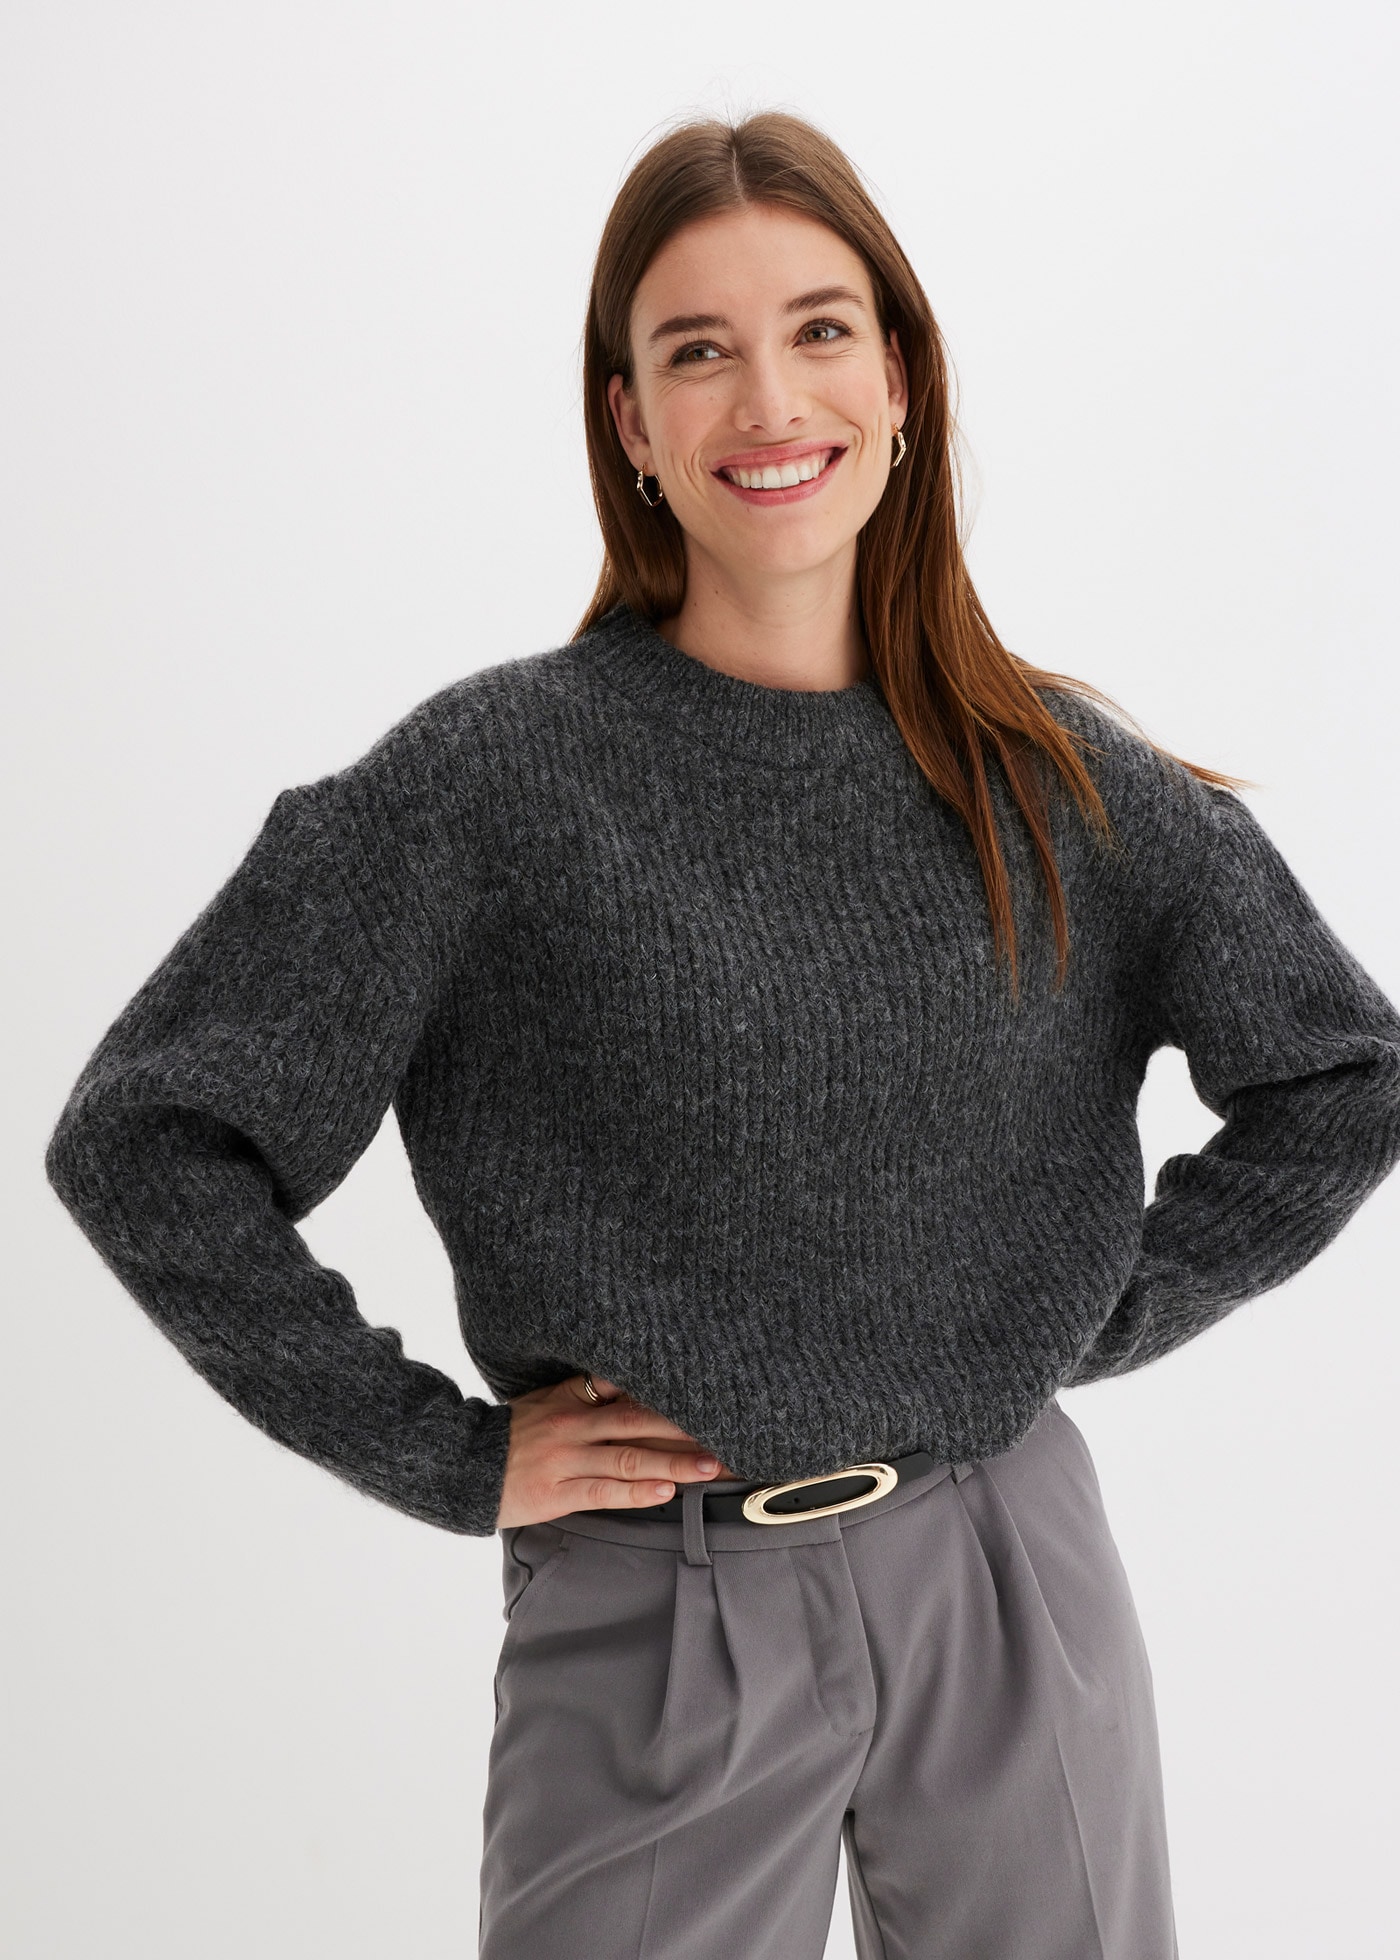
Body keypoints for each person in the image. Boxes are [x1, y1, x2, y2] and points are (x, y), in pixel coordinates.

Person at [44, 109, 1400, 1960]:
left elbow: (1343, 1071)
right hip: (655, 1612)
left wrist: (1090, 1307)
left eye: (820, 329)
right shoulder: (489, 786)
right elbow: (146, 1138)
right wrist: (443, 1453)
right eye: (699, 350)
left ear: (900, 379)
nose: (770, 400)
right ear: (630, 422)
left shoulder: (1057, 780)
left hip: (1009, 1573)